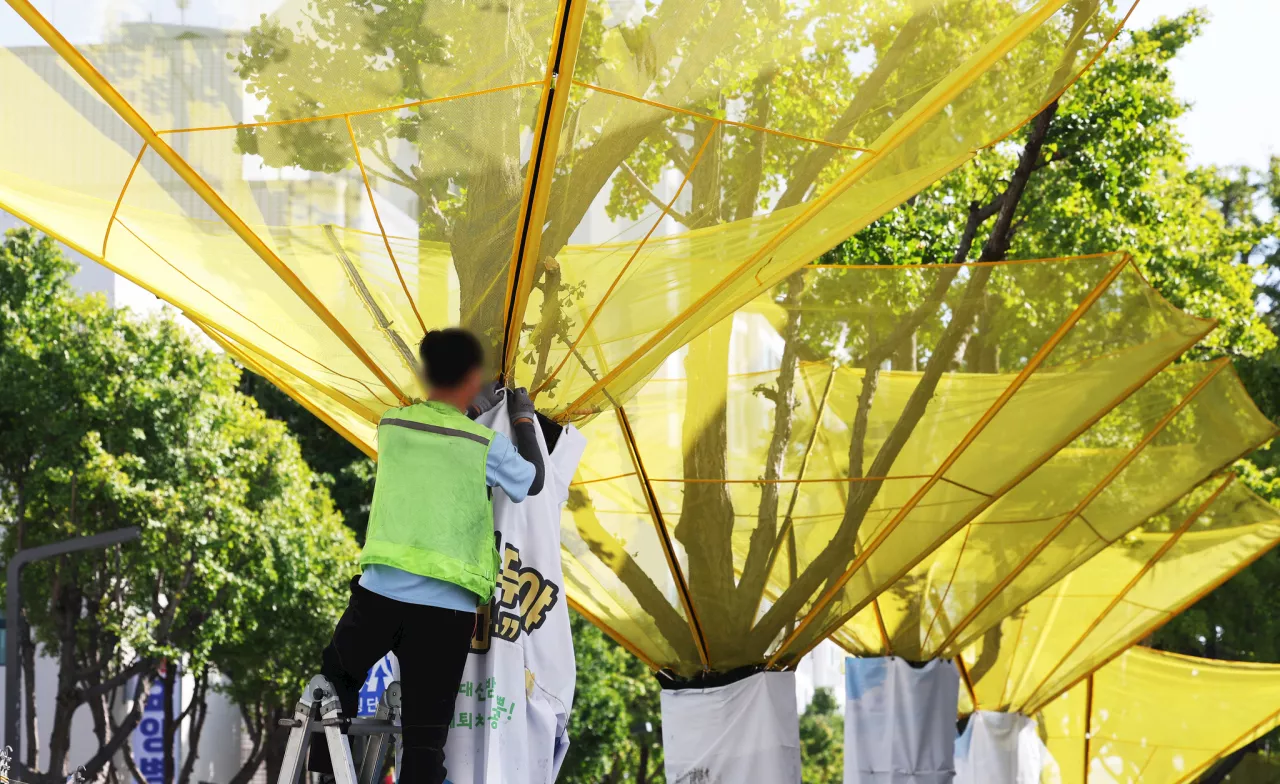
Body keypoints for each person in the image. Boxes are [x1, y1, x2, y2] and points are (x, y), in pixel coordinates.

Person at [310, 327, 546, 784]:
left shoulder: (393, 426)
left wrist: (472, 407)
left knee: (335, 679)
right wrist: (520, 417)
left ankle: (325, 766)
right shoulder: (484, 446)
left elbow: (440, 425)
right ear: (474, 378)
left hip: (379, 596)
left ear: (423, 375)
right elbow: (531, 481)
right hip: (445, 613)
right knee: (424, 740)